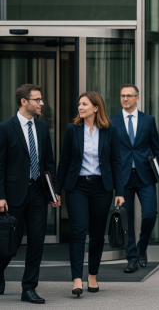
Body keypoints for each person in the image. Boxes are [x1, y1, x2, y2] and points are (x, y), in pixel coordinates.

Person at [55, 92, 124, 297]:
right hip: (76, 186)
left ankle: (92, 274)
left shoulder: (110, 130)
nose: (80, 107)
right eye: (79, 104)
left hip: (101, 187)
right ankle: (77, 278)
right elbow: (64, 162)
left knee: (96, 234)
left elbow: (116, 162)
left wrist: (119, 191)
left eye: (84, 104)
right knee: (77, 231)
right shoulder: (72, 129)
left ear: (96, 107)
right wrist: (56, 190)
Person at [0, 84, 61, 304]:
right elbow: (0, 165)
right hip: (13, 193)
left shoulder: (43, 128)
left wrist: (53, 192)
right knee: (11, 243)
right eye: (38, 99)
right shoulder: (6, 128)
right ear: (24, 101)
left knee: (36, 241)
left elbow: (49, 163)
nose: (42, 103)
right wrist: (1, 195)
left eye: (41, 99)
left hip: (37, 192)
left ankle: (29, 288)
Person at [110, 84, 159, 273]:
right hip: (123, 177)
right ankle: (132, 258)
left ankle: (142, 247)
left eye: (129, 95)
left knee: (150, 214)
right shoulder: (112, 121)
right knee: (126, 219)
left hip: (145, 175)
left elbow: (157, 148)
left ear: (137, 98)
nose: (125, 99)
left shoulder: (148, 120)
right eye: (122, 96)